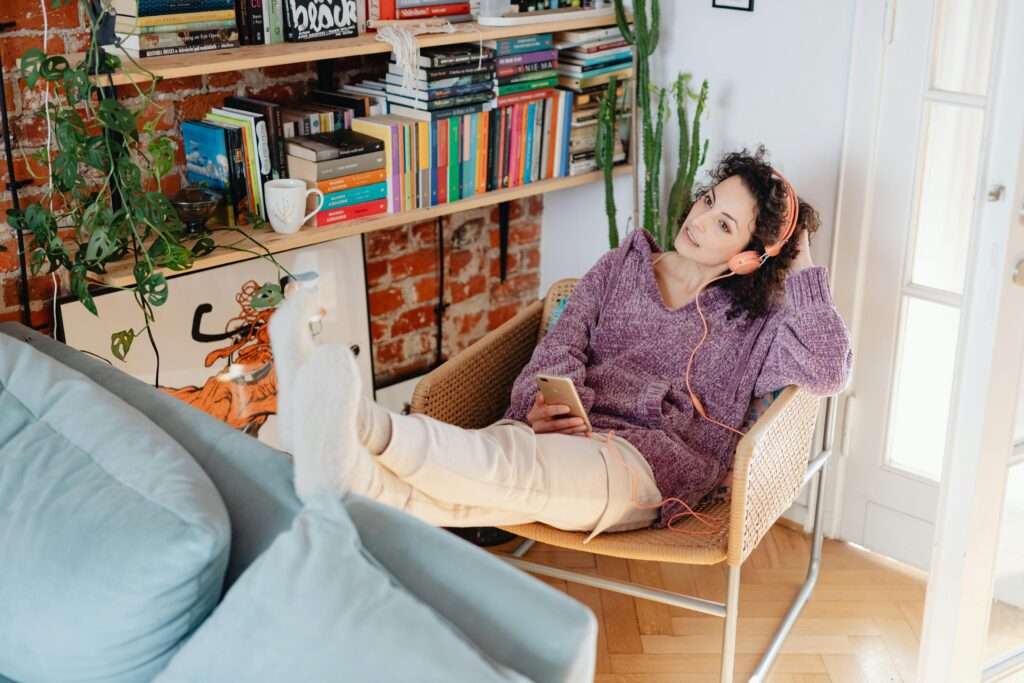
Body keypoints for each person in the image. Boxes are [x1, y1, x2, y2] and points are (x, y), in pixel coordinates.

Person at [269, 146, 853, 541]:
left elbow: (830, 370)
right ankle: (346, 468)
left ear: (752, 255)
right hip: (555, 430)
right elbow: (561, 341)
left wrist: (798, 258)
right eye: (707, 202)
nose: (700, 221)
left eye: (726, 224)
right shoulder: (623, 265)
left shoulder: (759, 324)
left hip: (643, 469)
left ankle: (360, 425)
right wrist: (539, 405)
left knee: (512, 467)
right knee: (487, 481)